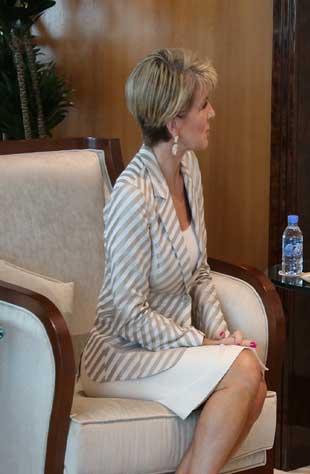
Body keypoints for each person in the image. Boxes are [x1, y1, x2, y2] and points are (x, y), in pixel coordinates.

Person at [79, 49, 267, 473]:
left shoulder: (188, 169)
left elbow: (199, 273)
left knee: (251, 377)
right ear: (173, 123)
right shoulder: (133, 194)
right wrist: (204, 343)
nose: (213, 113)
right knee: (243, 370)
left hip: (167, 343)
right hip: (120, 354)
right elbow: (128, 315)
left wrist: (223, 334)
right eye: (204, 106)